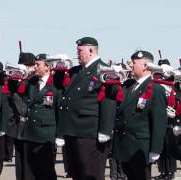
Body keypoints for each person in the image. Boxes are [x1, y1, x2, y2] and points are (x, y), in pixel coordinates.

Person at [57, 37, 117, 180]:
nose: (77, 54)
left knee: (90, 172)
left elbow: (108, 100)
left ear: (90, 50)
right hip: (72, 130)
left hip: (89, 132)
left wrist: (105, 130)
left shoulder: (104, 70)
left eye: (80, 51)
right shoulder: (76, 71)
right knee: (77, 173)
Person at [113, 50, 167, 180]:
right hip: (125, 145)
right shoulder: (129, 85)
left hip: (140, 146)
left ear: (145, 66)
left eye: (134, 62)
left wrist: (155, 149)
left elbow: (159, 122)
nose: (131, 65)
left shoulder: (155, 89)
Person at [20, 54, 58, 180]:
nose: (34, 67)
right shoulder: (31, 82)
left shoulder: (56, 84)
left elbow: (59, 110)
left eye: (38, 64)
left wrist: (60, 135)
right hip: (30, 132)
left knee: (46, 172)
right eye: (34, 64)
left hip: (46, 134)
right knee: (29, 172)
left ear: (47, 66)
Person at [5, 52, 36, 180]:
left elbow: (26, 104)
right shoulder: (17, 81)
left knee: (29, 166)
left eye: (26, 66)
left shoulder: (35, 81)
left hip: (30, 127)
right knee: (20, 165)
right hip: (18, 127)